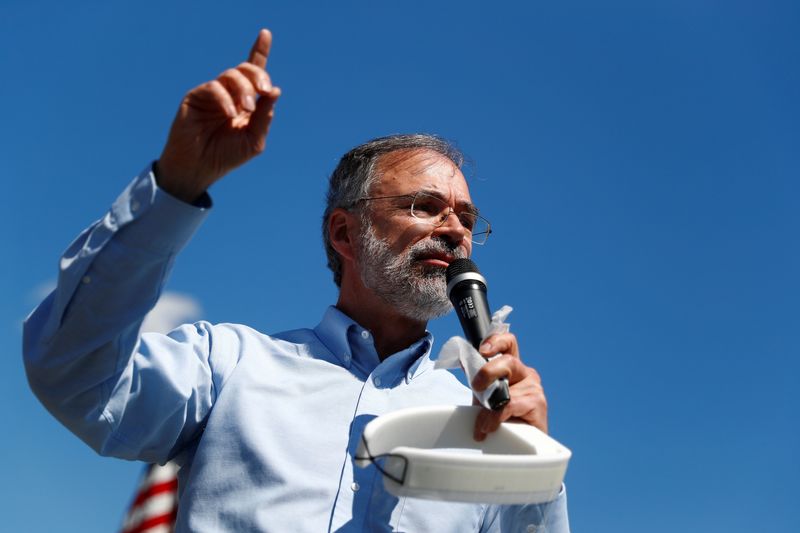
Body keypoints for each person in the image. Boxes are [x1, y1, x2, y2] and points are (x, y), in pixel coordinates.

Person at [23, 29, 570, 532]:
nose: (454, 230)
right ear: (344, 234)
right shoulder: (230, 366)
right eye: (424, 206)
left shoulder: (481, 426)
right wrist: (175, 187)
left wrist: (533, 466)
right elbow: (76, 376)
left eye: (467, 220)